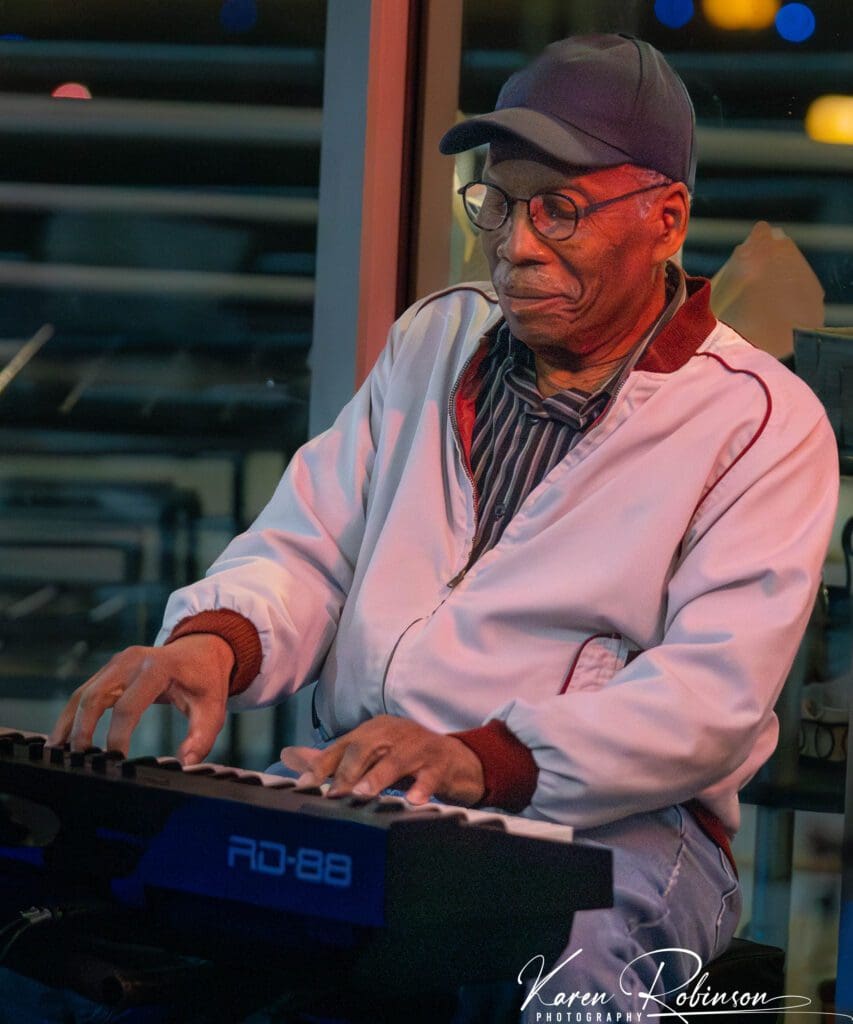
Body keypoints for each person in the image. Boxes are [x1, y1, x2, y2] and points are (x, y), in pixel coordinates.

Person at [49, 33, 838, 1017]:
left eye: (559, 208)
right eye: (498, 201)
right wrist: (218, 642)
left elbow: (707, 700)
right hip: (380, 793)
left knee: (561, 958)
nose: (513, 243)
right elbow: (311, 543)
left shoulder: (757, 418)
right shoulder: (438, 336)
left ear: (666, 219)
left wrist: (480, 755)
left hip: (619, 829)